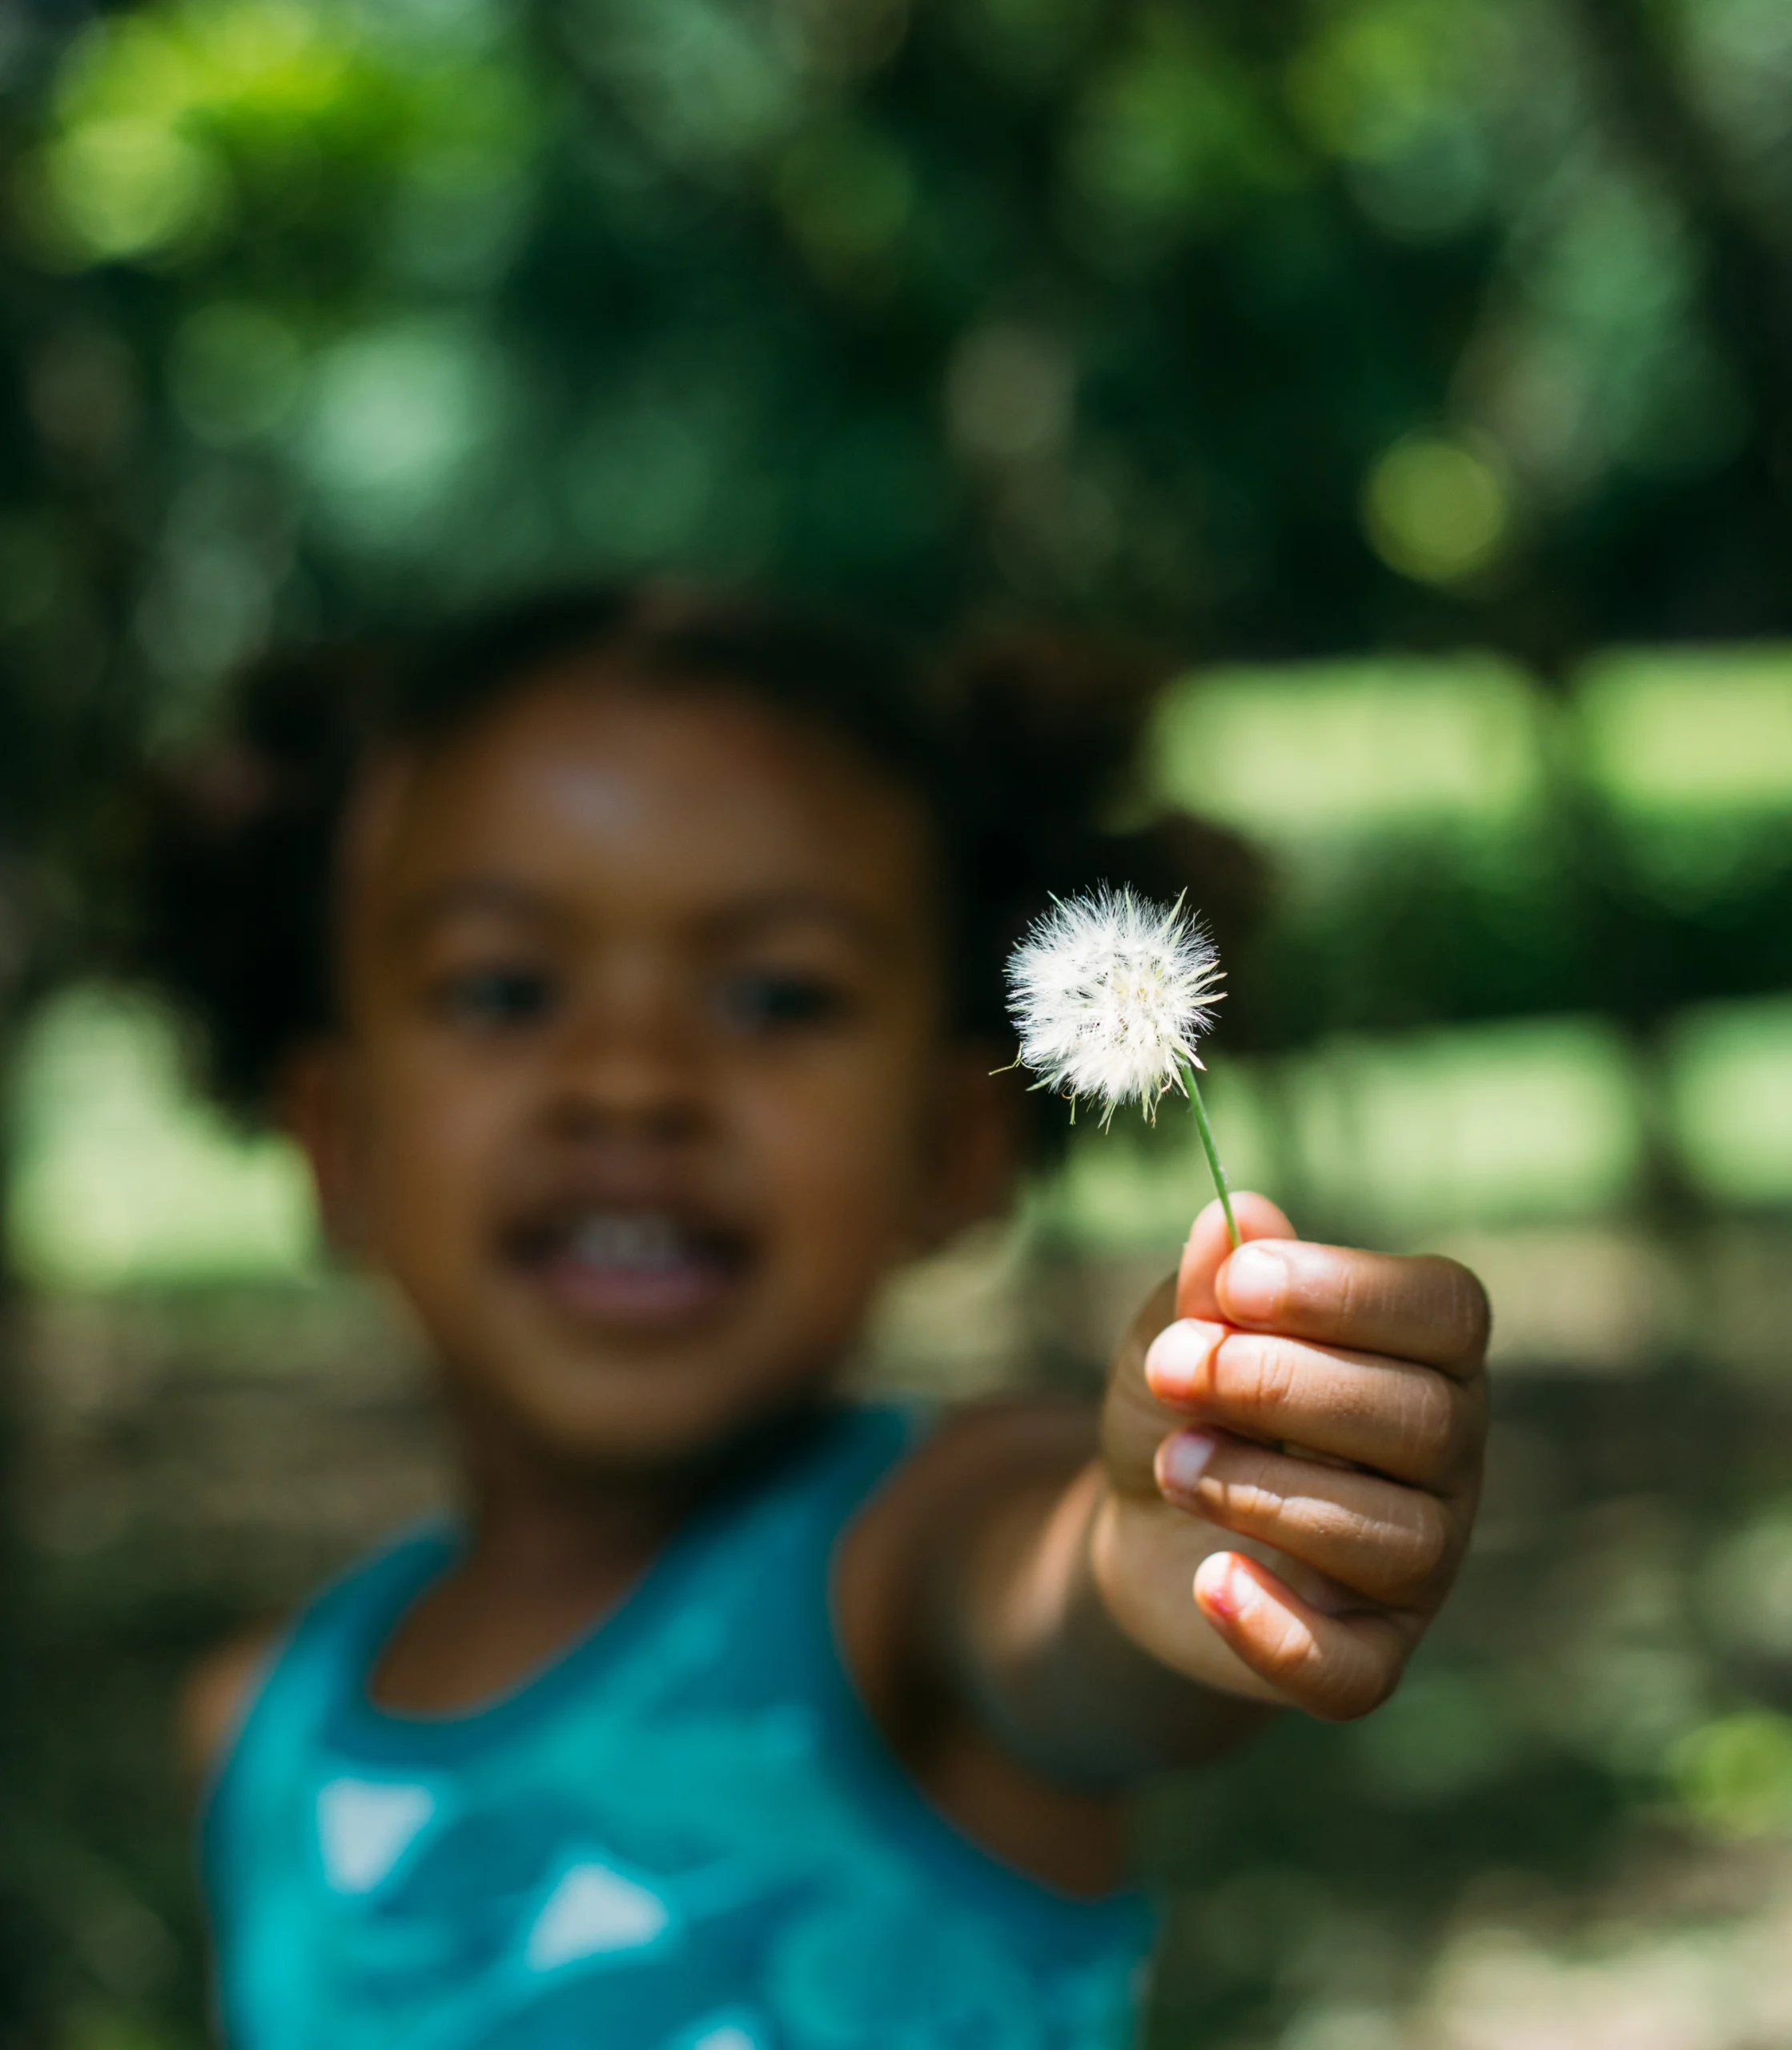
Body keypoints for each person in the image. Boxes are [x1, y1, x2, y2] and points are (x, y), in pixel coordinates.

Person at [139, 585, 1489, 2050]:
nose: (630, 1080)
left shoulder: (915, 1567)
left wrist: (1174, 1528)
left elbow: (1067, 1621)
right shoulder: (258, 1734)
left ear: (951, 1148)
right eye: (506, 989)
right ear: (336, 1140)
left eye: (776, 998)